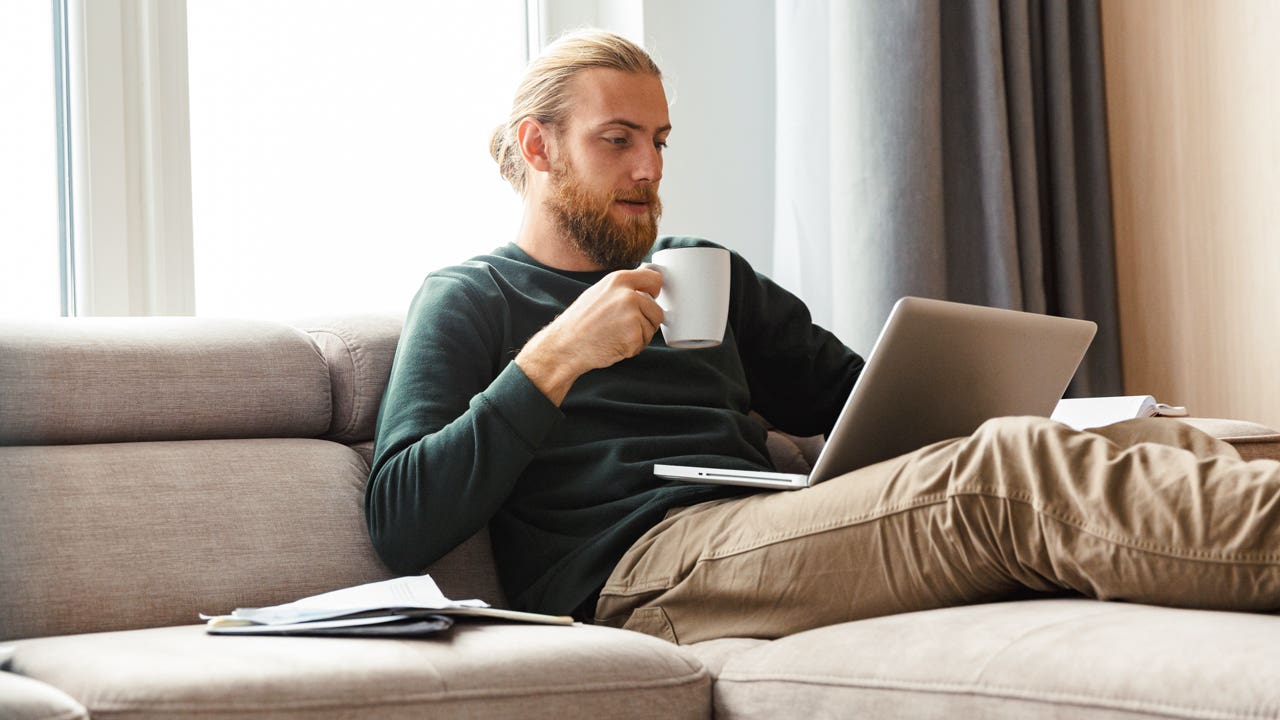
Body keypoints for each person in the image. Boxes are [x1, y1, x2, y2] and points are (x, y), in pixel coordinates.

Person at [366, 29, 1280, 644]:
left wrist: (982, 399)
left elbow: (859, 399)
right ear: (538, 148)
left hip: (763, 525)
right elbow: (404, 518)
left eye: (660, 140)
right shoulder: (472, 297)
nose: (649, 168)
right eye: (617, 140)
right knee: (1004, 473)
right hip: (639, 574)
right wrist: (556, 356)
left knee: (1145, 437)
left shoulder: (701, 268)